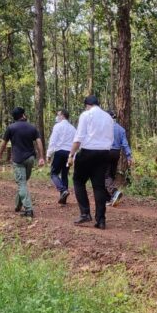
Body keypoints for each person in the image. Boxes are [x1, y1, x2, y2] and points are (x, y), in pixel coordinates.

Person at [67, 95, 114, 230]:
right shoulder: (108, 117)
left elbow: (79, 137)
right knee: (98, 186)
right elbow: (110, 138)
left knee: (78, 180)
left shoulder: (86, 115)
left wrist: (71, 154)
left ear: (87, 105)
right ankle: (101, 220)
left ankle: (85, 213)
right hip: (104, 153)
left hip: (88, 151)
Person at [0, 107, 46, 218]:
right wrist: (41, 157)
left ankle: (28, 210)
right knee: (23, 182)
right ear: (23, 115)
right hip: (30, 159)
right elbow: (39, 142)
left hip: (18, 159)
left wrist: (0, 154)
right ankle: (18, 205)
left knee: (21, 183)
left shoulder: (11, 128)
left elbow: (4, 143)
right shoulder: (32, 127)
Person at [46, 109, 76, 204]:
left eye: (58, 114)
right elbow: (75, 143)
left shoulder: (57, 126)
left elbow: (53, 141)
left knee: (53, 173)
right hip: (69, 154)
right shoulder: (73, 128)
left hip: (59, 152)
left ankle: (63, 190)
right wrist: (72, 156)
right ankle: (63, 199)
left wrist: (49, 154)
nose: (57, 116)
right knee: (64, 175)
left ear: (62, 115)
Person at [105, 111, 133, 207]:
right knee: (111, 175)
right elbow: (125, 144)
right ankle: (110, 199)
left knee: (105, 176)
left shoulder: (104, 128)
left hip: (106, 152)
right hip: (116, 153)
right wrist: (129, 156)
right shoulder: (121, 129)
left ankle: (114, 192)